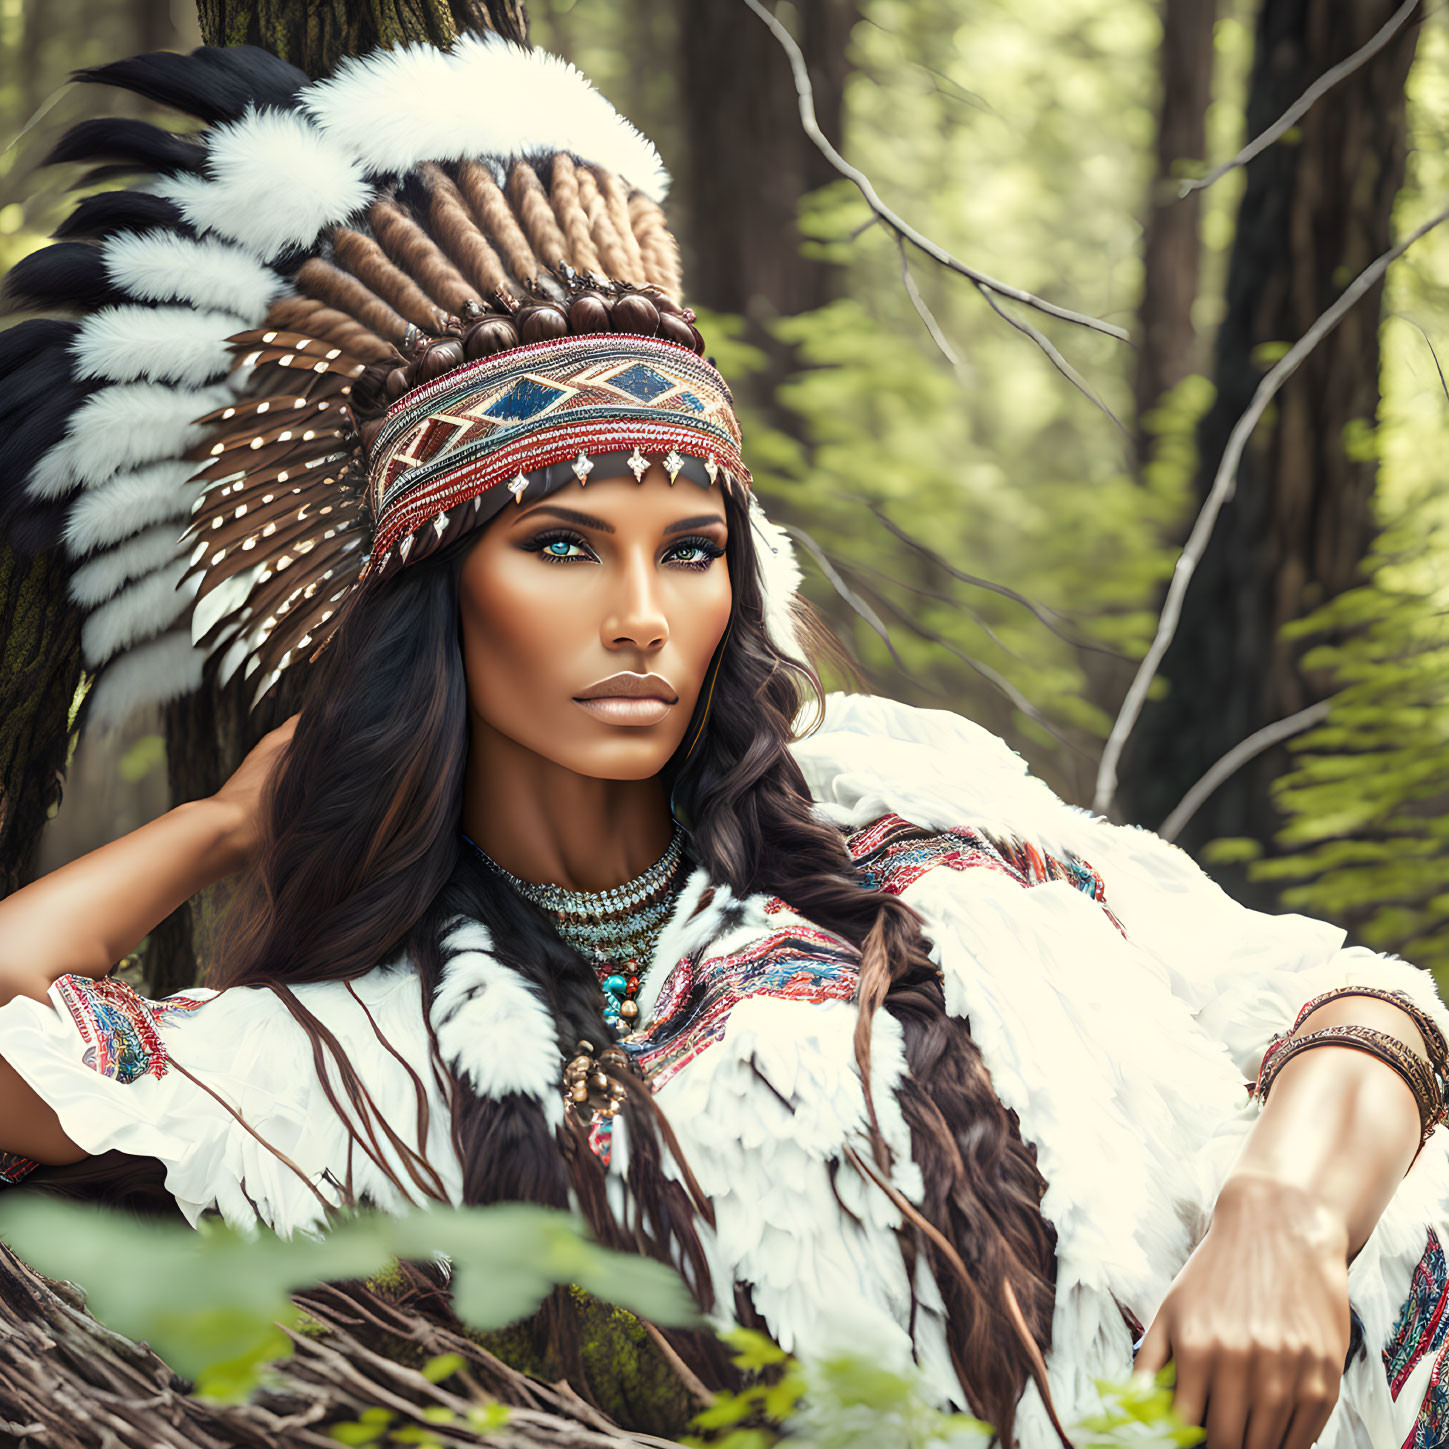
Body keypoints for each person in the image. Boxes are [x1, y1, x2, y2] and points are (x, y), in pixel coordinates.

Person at [0, 34, 1446, 1449]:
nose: (641, 616)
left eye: (689, 551)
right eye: (562, 545)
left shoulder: (899, 801)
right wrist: (228, 825)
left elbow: (1348, 1000)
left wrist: (1287, 1216)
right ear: (436, 605)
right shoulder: (384, 1050)